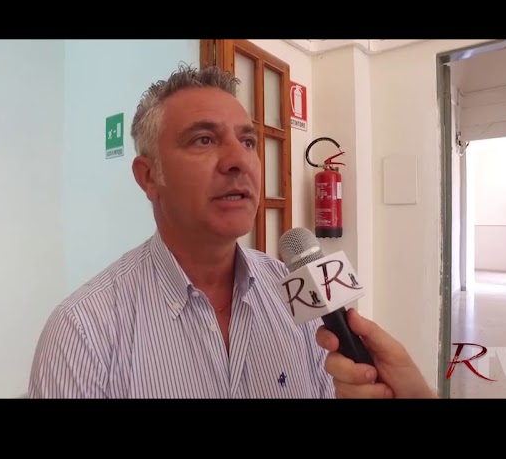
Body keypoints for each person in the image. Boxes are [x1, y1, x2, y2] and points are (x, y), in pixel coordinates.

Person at [28, 63, 437, 399]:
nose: (238, 160)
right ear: (149, 177)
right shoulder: (82, 331)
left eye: (248, 141)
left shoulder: (295, 294)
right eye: (204, 140)